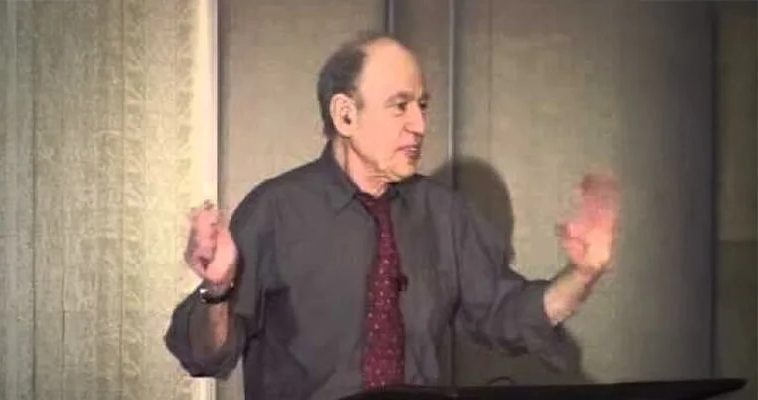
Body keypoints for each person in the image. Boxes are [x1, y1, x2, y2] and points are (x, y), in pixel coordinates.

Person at [164, 31, 620, 400]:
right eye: (400, 106)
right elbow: (205, 356)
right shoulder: (275, 210)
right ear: (345, 115)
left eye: (422, 106)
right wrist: (217, 291)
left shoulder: (444, 213)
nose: (419, 125)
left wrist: (583, 274)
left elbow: (506, 315)